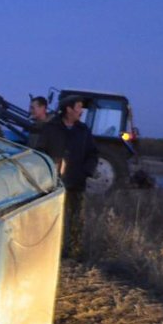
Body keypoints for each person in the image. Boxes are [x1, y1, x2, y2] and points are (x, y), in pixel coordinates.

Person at [37, 95, 98, 259]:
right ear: (68, 109)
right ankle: (49, 249)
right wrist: (48, 170)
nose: (81, 111)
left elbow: (92, 154)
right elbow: (40, 151)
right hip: (53, 183)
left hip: (77, 182)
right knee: (52, 217)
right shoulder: (50, 128)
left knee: (76, 217)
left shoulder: (83, 131)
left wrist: (86, 171)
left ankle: (73, 252)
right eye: (78, 107)